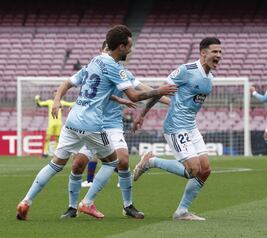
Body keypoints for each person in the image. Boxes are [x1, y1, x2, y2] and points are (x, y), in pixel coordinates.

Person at [16, 25, 177, 221]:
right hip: (92, 124)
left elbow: (78, 84)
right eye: (129, 46)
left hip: (73, 119)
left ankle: (25, 201)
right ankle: (86, 203)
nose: (131, 50)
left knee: (55, 163)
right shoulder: (115, 68)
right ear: (120, 47)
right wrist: (159, 91)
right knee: (112, 162)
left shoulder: (94, 61)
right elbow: (135, 95)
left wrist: (58, 100)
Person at [132, 37, 222, 221]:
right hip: (175, 126)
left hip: (191, 126)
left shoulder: (210, 77)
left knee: (205, 170)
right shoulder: (185, 71)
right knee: (193, 170)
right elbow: (161, 91)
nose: (218, 56)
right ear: (203, 53)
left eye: (220, 52)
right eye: (215, 52)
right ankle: (151, 162)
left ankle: (181, 211)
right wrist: (142, 114)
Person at [61, 68, 170, 219]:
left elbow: (144, 89)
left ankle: (128, 206)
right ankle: (72, 208)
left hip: (112, 125)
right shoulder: (94, 71)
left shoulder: (121, 73)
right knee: (78, 164)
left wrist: (170, 102)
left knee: (123, 160)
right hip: (91, 125)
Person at [35, 92, 74, 157]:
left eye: (57, 94)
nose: (56, 95)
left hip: (59, 123)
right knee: (47, 138)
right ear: (53, 95)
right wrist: (37, 99)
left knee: (57, 139)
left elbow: (71, 103)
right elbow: (39, 104)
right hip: (51, 123)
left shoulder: (62, 102)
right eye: (54, 94)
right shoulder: (50, 102)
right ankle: (45, 153)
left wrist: (79, 101)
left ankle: (56, 153)